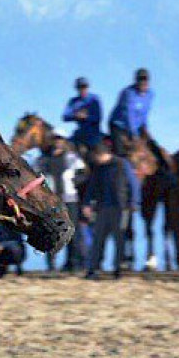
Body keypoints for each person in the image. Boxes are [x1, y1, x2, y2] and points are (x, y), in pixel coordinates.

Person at [82, 143, 140, 279]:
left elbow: (134, 184)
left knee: (120, 239)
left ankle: (118, 269)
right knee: (98, 239)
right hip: (102, 208)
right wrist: (86, 204)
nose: (95, 160)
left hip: (121, 207)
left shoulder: (122, 164)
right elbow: (92, 186)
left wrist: (134, 202)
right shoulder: (98, 168)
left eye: (97, 157)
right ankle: (93, 269)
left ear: (103, 155)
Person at [38, 130, 87, 271]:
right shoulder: (43, 159)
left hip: (70, 199)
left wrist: (74, 181)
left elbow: (83, 174)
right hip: (50, 201)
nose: (58, 141)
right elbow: (35, 175)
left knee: (71, 231)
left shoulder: (72, 158)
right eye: (55, 138)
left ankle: (72, 262)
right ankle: (51, 263)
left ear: (64, 141)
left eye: (60, 138)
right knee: (50, 231)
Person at [108, 68, 170, 174]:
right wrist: (134, 135)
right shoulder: (128, 93)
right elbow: (129, 114)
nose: (143, 82)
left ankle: (166, 173)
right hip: (119, 125)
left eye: (145, 79)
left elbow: (145, 113)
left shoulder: (150, 94)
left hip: (138, 125)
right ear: (136, 81)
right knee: (120, 152)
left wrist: (145, 130)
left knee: (153, 146)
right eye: (140, 79)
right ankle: (118, 177)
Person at [62, 77, 102, 153]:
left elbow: (98, 117)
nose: (82, 89)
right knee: (65, 148)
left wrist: (86, 117)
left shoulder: (94, 98)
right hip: (79, 133)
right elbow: (65, 116)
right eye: (80, 87)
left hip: (93, 134)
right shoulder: (73, 101)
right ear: (77, 89)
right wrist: (76, 115)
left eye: (84, 86)